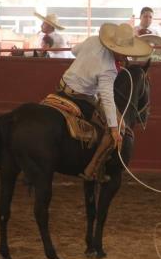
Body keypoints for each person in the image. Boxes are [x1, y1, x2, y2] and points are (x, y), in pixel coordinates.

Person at [58, 23, 152, 181]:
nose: (124, 56)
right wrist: (114, 128)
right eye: (123, 53)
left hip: (61, 87)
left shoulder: (93, 40)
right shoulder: (109, 68)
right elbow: (107, 97)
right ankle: (92, 169)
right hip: (83, 98)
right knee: (113, 133)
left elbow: (74, 51)